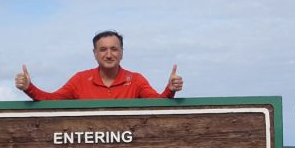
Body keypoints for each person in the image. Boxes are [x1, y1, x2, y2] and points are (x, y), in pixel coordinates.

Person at [15, 30, 183, 100]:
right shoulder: (80, 79)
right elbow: (51, 101)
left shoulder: (136, 80)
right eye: (103, 49)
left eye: (114, 49)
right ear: (95, 54)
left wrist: (170, 89)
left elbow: (159, 105)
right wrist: (29, 87)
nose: (108, 55)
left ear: (122, 52)